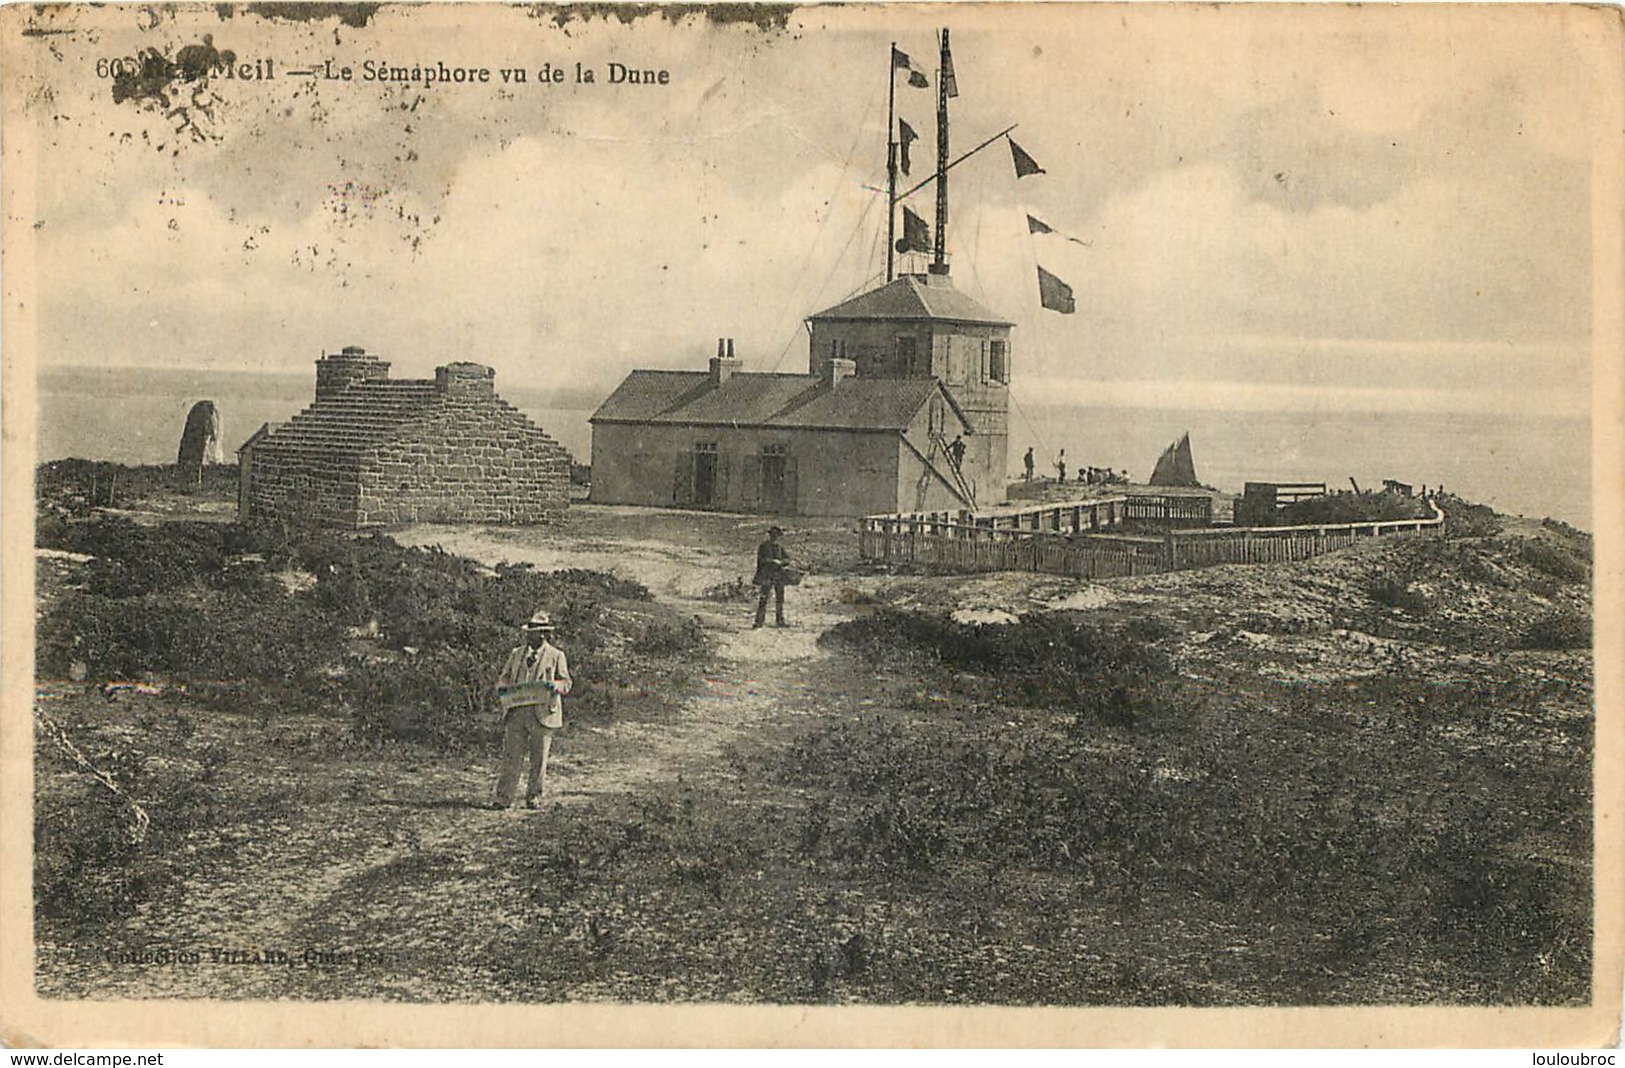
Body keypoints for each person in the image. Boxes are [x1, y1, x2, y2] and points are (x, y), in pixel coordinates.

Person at [492, 610, 571, 810]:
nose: (530, 635)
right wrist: (502, 686)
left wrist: (555, 686)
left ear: (544, 635)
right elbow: (505, 676)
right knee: (511, 756)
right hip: (516, 712)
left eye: (534, 632)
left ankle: (534, 797)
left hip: (543, 714)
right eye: (529, 632)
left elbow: (567, 682)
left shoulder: (556, 655)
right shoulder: (516, 654)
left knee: (539, 758)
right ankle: (503, 798)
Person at [753, 526, 791, 629]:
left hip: (778, 576)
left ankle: (780, 621)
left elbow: (787, 559)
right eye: (772, 535)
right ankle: (759, 622)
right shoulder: (764, 546)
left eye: (776, 535)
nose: (774, 537)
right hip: (767, 575)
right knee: (763, 598)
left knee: (780, 599)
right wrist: (771, 561)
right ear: (770, 535)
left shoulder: (779, 547)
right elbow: (760, 560)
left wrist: (782, 562)